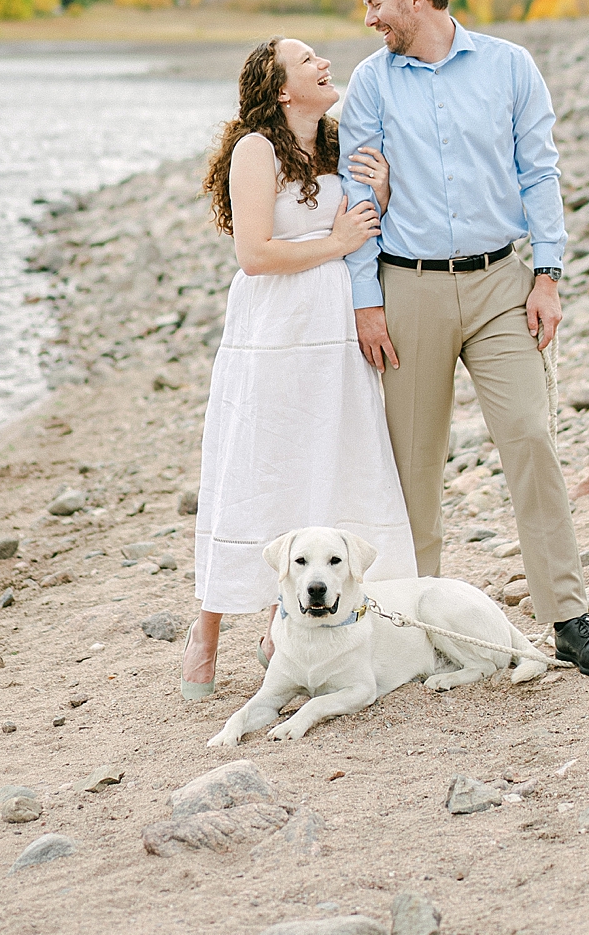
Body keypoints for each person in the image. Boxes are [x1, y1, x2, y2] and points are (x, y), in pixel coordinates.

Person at [338, 0, 589, 677]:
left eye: (376, 3)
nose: (368, 18)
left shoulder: (509, 66)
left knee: (531, 436)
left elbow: (541, 173)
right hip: (408, 289)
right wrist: (367, 301)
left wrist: (549, 275)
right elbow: (358, 198)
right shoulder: (371, 83)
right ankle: (409, 627)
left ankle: (567, 618)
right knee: (414, 466)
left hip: (505, 282)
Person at [181, 37, 418, 698]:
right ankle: (206, 633)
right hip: (276, 335)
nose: (324, 63)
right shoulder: (255, 150)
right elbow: (254, 254)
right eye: (308, 59)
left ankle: (282, 627)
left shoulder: (341, 144)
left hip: (334, 337)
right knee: (256, 473)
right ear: (282, 88)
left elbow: (368, 232)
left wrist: (383, 193)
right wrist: (336, 241)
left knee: (328, 470)